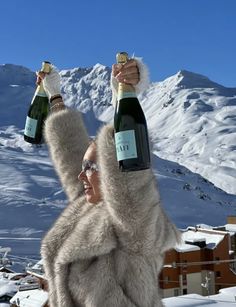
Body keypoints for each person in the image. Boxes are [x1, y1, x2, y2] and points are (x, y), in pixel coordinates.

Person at [39, 57, 180, 307]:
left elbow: (131, 185)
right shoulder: (88, 210)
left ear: (115, 172)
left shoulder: (136, 227)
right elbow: (70, 153)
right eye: (83, 168)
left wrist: (125, 97)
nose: (81, 175)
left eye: (90, 168)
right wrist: (54, 96)